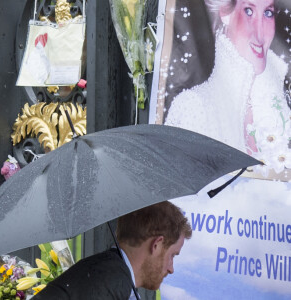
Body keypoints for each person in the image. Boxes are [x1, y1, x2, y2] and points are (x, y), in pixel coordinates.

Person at [165, 0, 291, 176]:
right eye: (249, 11)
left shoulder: (280, 111)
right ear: (225, 13)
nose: (260, 32)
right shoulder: (193, 107)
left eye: (268, 13)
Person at [32, 201, 192, 300]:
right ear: (156, 245)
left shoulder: (112, 273)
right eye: (172, 255)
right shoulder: (109, 280)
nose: (171, 268)